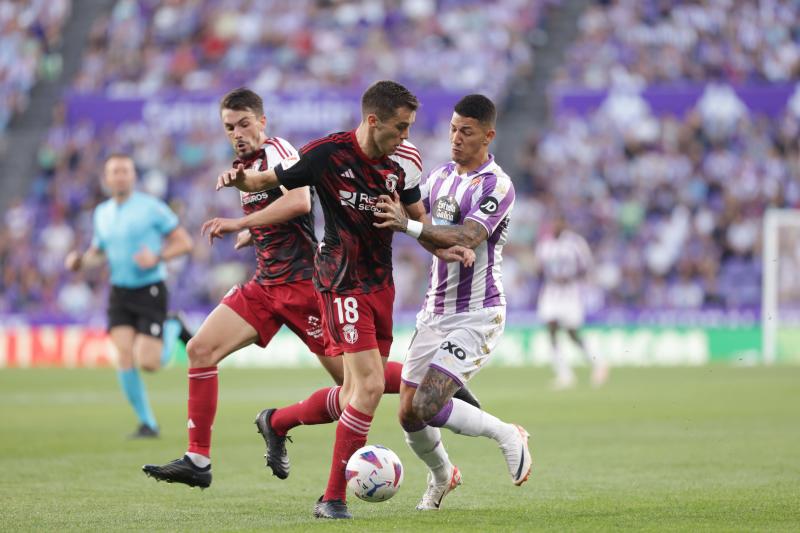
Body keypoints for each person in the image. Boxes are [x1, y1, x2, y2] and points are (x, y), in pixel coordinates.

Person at [142, 87, 479, 491]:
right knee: (200, 349)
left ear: (262, 122)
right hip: (266, 285)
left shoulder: (280, 151)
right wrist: (255, 229)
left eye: (245, 124)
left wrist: (240, 223)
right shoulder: (244, 166)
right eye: (229, 127)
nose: (237, 133)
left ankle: (435, 385)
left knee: (355, 387)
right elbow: (279, 208)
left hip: (308, 287)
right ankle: (198, 458)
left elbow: (301, 202)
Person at [373, 94, 532, 510]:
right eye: (453, 130)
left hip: (477, 313)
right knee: (408, 414)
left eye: (467, 132)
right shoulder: (440, 176)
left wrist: (408, 225)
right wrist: (414, 226)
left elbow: (468, 236)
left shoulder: (497, 185)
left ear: (488, 136)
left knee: (427, 404)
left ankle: (507, 433)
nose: (456, 139)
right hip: (434, 312)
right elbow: (429, 232)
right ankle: (444, 476)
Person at [64, 154, 193, 438]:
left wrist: (157, 256)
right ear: (107, 178)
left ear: (133, 177)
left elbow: (185, 243)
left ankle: (173, 325)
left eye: (125, 171)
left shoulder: (152, 208)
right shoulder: (102, 213)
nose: (120, 176)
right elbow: (98, 252)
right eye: (115, 171)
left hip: (150, 288)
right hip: (119, 291)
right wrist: (80, 262)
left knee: (150, 363)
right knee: (123, 356)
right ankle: (148, 423)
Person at [535, 214, 608, 389]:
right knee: (550, 326)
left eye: (558, 221)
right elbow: (540, 268)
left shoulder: (575, 243)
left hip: (570, 291)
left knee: (572, 332)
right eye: (553, 221)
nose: (555, 225)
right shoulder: (545, 244)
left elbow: (587, 266)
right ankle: (564, 374)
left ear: (564, 223)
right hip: (551, 290)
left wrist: (571, 278)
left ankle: (598, 362)